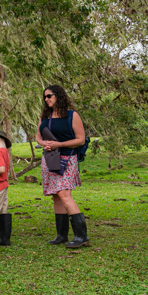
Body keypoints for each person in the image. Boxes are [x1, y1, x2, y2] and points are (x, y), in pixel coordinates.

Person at [35, 84, 90, 248]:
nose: (46, 99)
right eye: (44, 97)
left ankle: (82, 236)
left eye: (49, 96)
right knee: (56, 196)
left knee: (64, 194)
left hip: (67, 159)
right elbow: (38, 137)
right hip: (49, 158)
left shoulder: (72, 115)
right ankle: (61, 235)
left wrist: (59, 144)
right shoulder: (45, 116)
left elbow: (80, 139)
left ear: (58, 95)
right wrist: (44, 144)